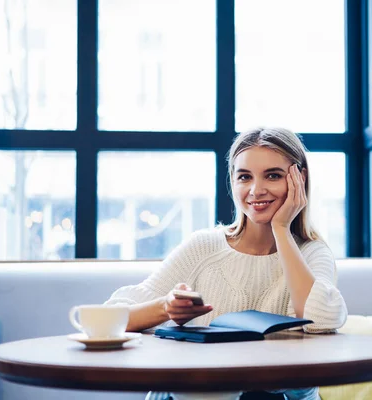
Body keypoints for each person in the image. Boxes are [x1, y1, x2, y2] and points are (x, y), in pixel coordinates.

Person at [106, 127, 348, 400]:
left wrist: (281, 228)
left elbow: (322, 321)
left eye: (273, 175)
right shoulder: (204, 247)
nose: (256, 190)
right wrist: (166, 308)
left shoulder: (312, 252)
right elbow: (112, 318)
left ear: (299, 179)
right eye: (244, 177)